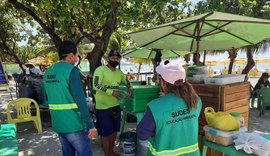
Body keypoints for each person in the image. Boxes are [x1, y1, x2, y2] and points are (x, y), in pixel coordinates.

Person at [43, 40, 97, 156]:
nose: (77, 58)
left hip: (58, 123)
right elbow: (81, 101)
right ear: (71, 55)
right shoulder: (72, 71)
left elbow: (45, 98)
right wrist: (90, 125)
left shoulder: (48, 72)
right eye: (77, 55)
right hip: (74, 124)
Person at [136, 63, 202, 156]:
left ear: (163, 83)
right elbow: (184, 120)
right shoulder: (196, 100)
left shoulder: (155, 106)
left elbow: (142, 134)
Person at [93, 49, 131, 156]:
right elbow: (96, 85)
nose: (115, 60)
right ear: (108, 58)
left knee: (114, 132)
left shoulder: (119, 72)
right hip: (103, 108)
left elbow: (126, 81)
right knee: (106, 134)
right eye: (113, 58)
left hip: (116, 106)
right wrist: (111, 92)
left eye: (117, 58)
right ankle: (107, 154)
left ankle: (111, 151)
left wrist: (130, 87)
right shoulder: (100, 70)